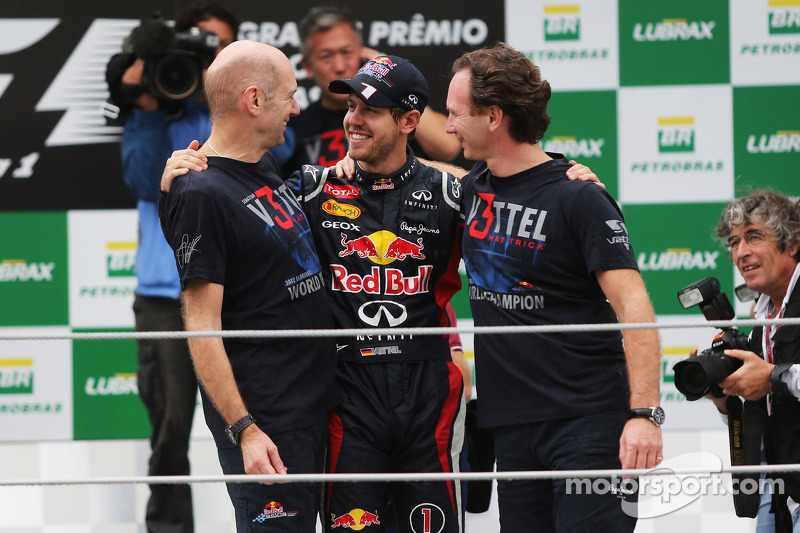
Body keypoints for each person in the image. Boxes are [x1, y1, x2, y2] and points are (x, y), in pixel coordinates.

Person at [445, 42, 663, 532]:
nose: (447, 125)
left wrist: (646, 413)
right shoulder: (473, 188)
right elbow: (426, 176)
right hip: (513, 427)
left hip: (589, 423)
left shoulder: (579, 196)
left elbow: (635, 307)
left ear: (495, 116)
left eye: (456, 113)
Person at [157, 40, 338, 532]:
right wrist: (245, 430)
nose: (297, 107)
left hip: (315, 407)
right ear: (254, 100)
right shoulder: (199, 192)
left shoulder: (258, 164)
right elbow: (200, 327)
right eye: (289, 95)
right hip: (269, 425)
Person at [111, 4, 243, 532]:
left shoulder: (241, 115)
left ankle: (269, 519)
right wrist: (145, 99)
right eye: (198, 43)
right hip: (167, 295)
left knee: (256, 419)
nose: (206, 56)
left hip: (238, 291)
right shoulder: (159, 104)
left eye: (218, 47)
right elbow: (144, 183)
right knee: (168, 427)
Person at [701, 190, 800, 532]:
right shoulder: (763, 314)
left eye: (754, 237)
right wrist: (725, 399)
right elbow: (768, 408)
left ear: (792, 243)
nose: (741, 252)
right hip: (781, 490)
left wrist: (773, 376)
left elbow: (775, 381)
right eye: (733, 242)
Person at [284, 6, 460, 172]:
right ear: (307, 66)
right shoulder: (295, 125)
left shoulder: (393, 111)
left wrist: (382, 64)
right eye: (326, 56)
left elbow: (448, 147)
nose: (339, 66)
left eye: (347, 52)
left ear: (362, 55)